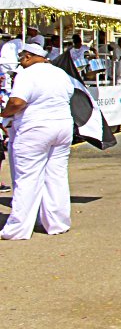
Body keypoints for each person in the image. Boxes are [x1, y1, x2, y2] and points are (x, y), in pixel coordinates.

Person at [0, 43, 75, 240]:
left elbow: (17, 102)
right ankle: (57, 223)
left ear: (27, 56)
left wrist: (3, 114)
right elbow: (69, 95)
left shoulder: (28, 74)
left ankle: (18, 229)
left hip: (36, 129)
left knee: (27, 178)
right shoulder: (60, 73)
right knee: (56, 176)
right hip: (62, 127)